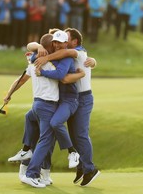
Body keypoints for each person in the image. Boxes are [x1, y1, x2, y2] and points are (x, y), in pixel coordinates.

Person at [4, 33, 85, 187]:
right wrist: (81, 73)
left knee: (30, 118)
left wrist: (9, 94)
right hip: (48, 105)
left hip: (36, 105)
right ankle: (32, 173)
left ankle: (28, 152)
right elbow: (63, 76)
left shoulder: (34, 61)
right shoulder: (52, 63)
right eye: (54, 44)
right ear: (50, 47)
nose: (57, 47)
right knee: (46, 141)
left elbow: (21, 80)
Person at [34, 28, 100, 187]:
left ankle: (90, 168)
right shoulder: (66, 51)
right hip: (71, 97)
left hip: (83, 97)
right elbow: (39, 45)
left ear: (74, 42)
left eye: (66, 38)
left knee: (81, 134)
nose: (61, 42)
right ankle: (82, 166)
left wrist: (46, 57)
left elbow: (65, 56)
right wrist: (39, 47)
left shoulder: (79, 52)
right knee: (74, 134)